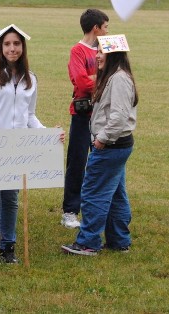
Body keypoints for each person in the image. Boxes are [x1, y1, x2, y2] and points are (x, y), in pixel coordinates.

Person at [0, 24, 47, 264]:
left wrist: (47, 135)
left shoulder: (30, 79)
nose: (11, 48)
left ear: (23, 47)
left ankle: (8, 246)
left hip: (17, 146)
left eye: (16, 44)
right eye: (7, 44)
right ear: (0, 47)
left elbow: (30, 115)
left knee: (10, 198)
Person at [62, 34, 137, 256]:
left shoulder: (119, 79)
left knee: (93, 192)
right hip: (117, 146)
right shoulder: (115, 76)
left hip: (111, 145)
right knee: (115, 194)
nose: (97, 56)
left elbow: (119, 117)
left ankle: (88, 243)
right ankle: (119, 240)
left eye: (101, 52)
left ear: (113, 55)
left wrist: (101, 139)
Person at [62, 9, 109, 229]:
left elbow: (117, 74)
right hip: (82, 116)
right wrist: (102, 80)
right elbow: (81, 83)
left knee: (100, 162)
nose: (108, 31)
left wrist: (95, 79)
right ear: (95, 28)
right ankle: (70, 211)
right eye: (106, 26)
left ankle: (97, 207)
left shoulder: (106, 49)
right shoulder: (77, 51)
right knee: (78, 162)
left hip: (103, 115)